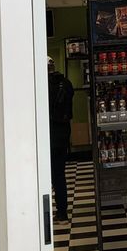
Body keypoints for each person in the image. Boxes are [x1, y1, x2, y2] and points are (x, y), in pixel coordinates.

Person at [47, 56, 74, 222]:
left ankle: (41, 213)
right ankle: (62, 211)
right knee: (59, 175)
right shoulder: (67, 83)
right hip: (63, 135)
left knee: (46, 175)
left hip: (48, 135)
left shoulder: (43, 85)